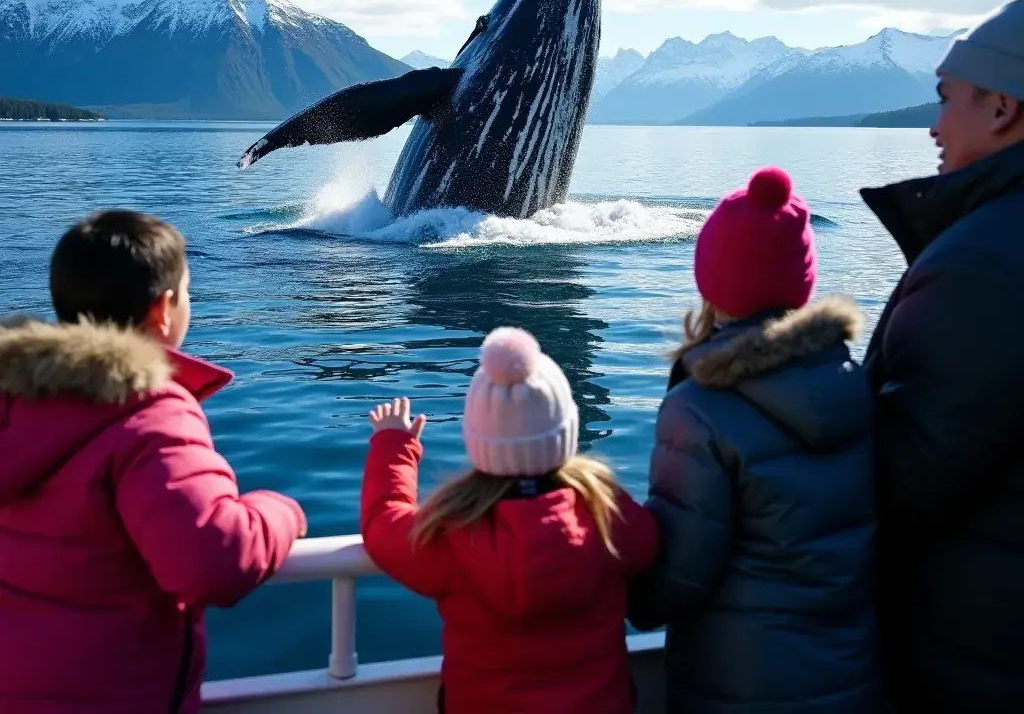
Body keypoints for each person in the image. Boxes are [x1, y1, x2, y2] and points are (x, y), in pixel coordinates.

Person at [0, 210, 307, 714]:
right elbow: (213, 562)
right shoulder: (150, 411)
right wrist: (280, 511)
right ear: (165, 310)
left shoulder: (14, 405)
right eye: (189, 293)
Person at [628, 167, 881, 713]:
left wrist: (626, 593)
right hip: (856, 676)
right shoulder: (857, 383)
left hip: (737, 683)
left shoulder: (699, 409)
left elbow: (679, 575)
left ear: (711, 282)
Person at [860, 0, 1024, 713]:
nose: (932, 125)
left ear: (1001, 108)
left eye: (946, 98)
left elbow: (908, 476)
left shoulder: (983, 264)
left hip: (976, 656)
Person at [360, 326, 659, 714]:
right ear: (565, 433)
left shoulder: (451, 538)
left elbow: (382, 524)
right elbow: (650, 542)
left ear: (476, 438)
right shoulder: (606, 517)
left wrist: (394, 445)